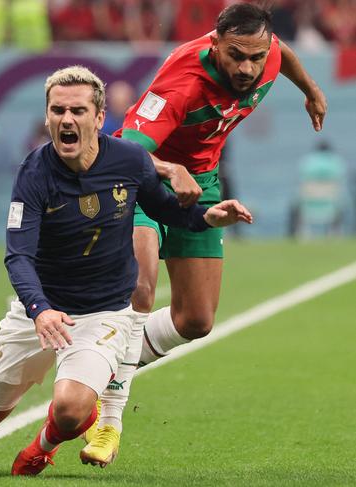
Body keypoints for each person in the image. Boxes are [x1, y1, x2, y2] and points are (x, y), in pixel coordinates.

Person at [0, 65, 252, 477]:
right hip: (42, 311)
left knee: (70, 410)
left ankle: (44, 445)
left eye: (78, 111)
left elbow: (165, 210)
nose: (67, 120)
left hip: (103, 314)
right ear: (48, 116)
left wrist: (207, 217)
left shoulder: (130, 160)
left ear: (99, 118)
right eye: (58, 111)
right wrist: (40, 309)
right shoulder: (33, 174)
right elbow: (18, 256)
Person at [81, 3, 327, 467]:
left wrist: (310, 90)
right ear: (215, 44)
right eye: (237, 56)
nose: (248, 68)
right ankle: (108, 417)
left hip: (203, 181)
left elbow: (282, 52)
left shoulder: (265, 52)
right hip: (143, 178)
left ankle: (101, 361)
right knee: (141, 288)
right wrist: (171, 169)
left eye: (256, 57)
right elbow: (119, 152)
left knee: (196, 320)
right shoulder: (182, 84)